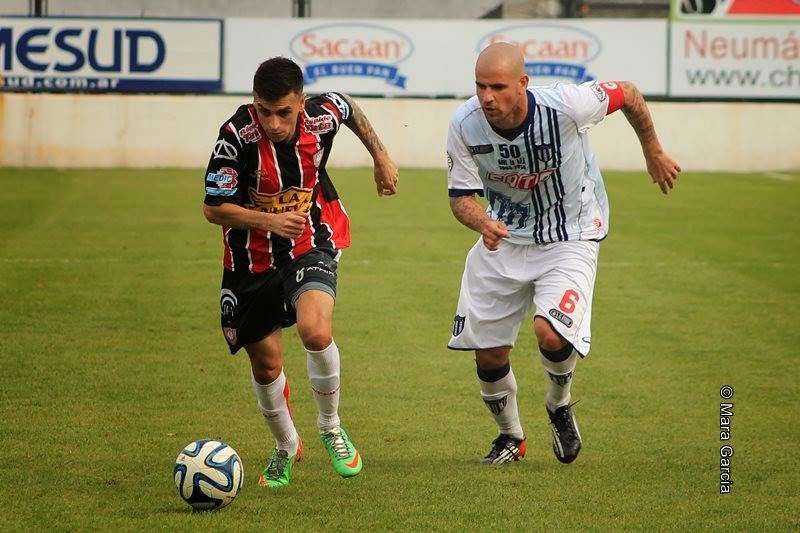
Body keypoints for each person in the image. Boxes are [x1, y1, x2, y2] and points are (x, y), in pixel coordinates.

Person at [446, 42, 680, 465]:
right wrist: (483, 222)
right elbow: (460, 198)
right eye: (480, 86)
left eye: (497, 87)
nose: (486, 97)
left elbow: (627, 92)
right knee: (489, 353)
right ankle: (511, 438)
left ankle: (559, 404)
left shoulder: (568, 105)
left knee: (551, 333)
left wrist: (653, 150)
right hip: (504, 238)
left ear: (523, 83)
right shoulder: (464, 123)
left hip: (570, 235)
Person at [202, 57, 398, 487]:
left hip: (311, 241)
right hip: (248, 260)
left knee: (315, 330)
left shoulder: (319, 116)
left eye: (284, 112)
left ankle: (331, 429)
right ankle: (286, 445)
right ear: (254, 103)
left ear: (301, 103)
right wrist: (269, 221)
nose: (273, 123)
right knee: (267, 366)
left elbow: (347, 106)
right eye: (264, 111)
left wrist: (381, 155)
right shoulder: (235, 136)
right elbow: (213, 208)